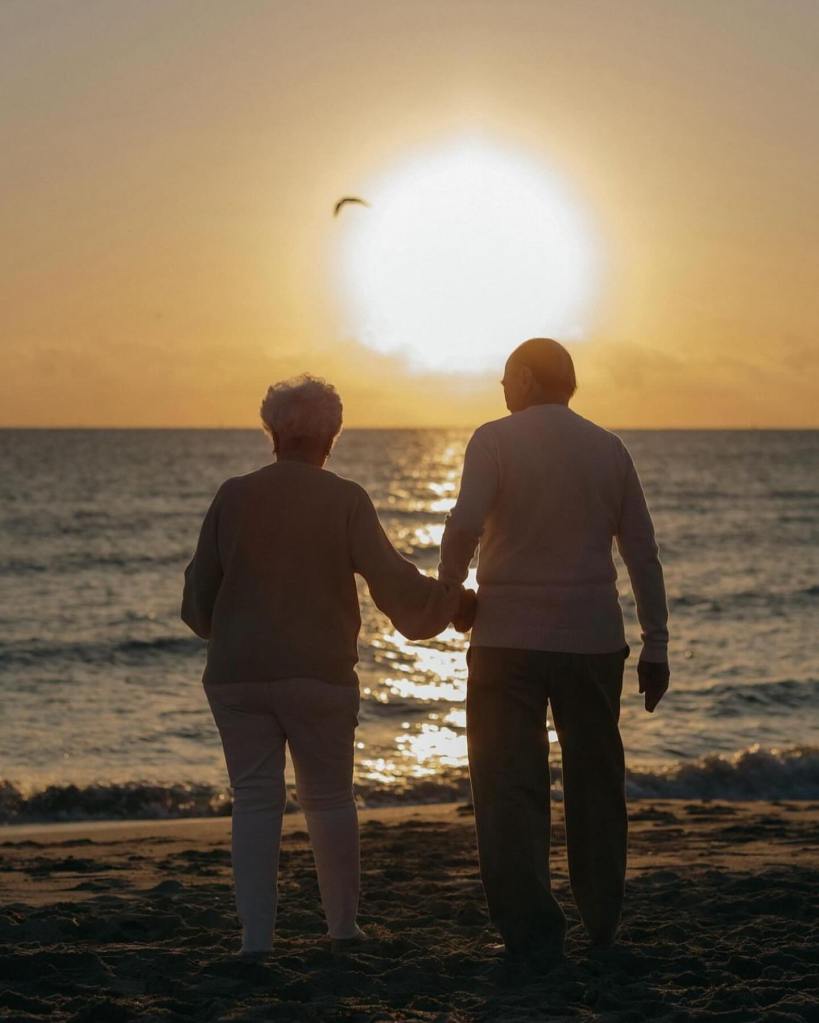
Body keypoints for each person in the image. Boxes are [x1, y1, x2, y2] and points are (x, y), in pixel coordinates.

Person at [181, 374, 470, 959]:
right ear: (331, 437)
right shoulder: (344, 499)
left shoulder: (232, 496)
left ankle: (255, 942)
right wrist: (452, 602)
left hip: (239, 676)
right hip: (319, 674)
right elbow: (393, 584)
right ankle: (342, 929)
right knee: (331, 799)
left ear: (273, 433)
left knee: (255, 800)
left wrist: (232, 630)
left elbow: (196, 602)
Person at [441, 338, 670, 963]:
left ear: (524, 377)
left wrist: (450, 593)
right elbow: (641, 552)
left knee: (508, 788)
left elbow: (464, 523)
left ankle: (531, 932)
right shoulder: (608, 448)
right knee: (596, 783)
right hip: (592, 639)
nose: (502, 388)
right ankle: (601, 921)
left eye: (505, 377)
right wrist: (657, 643)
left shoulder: (493, 438)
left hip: (506, 640)